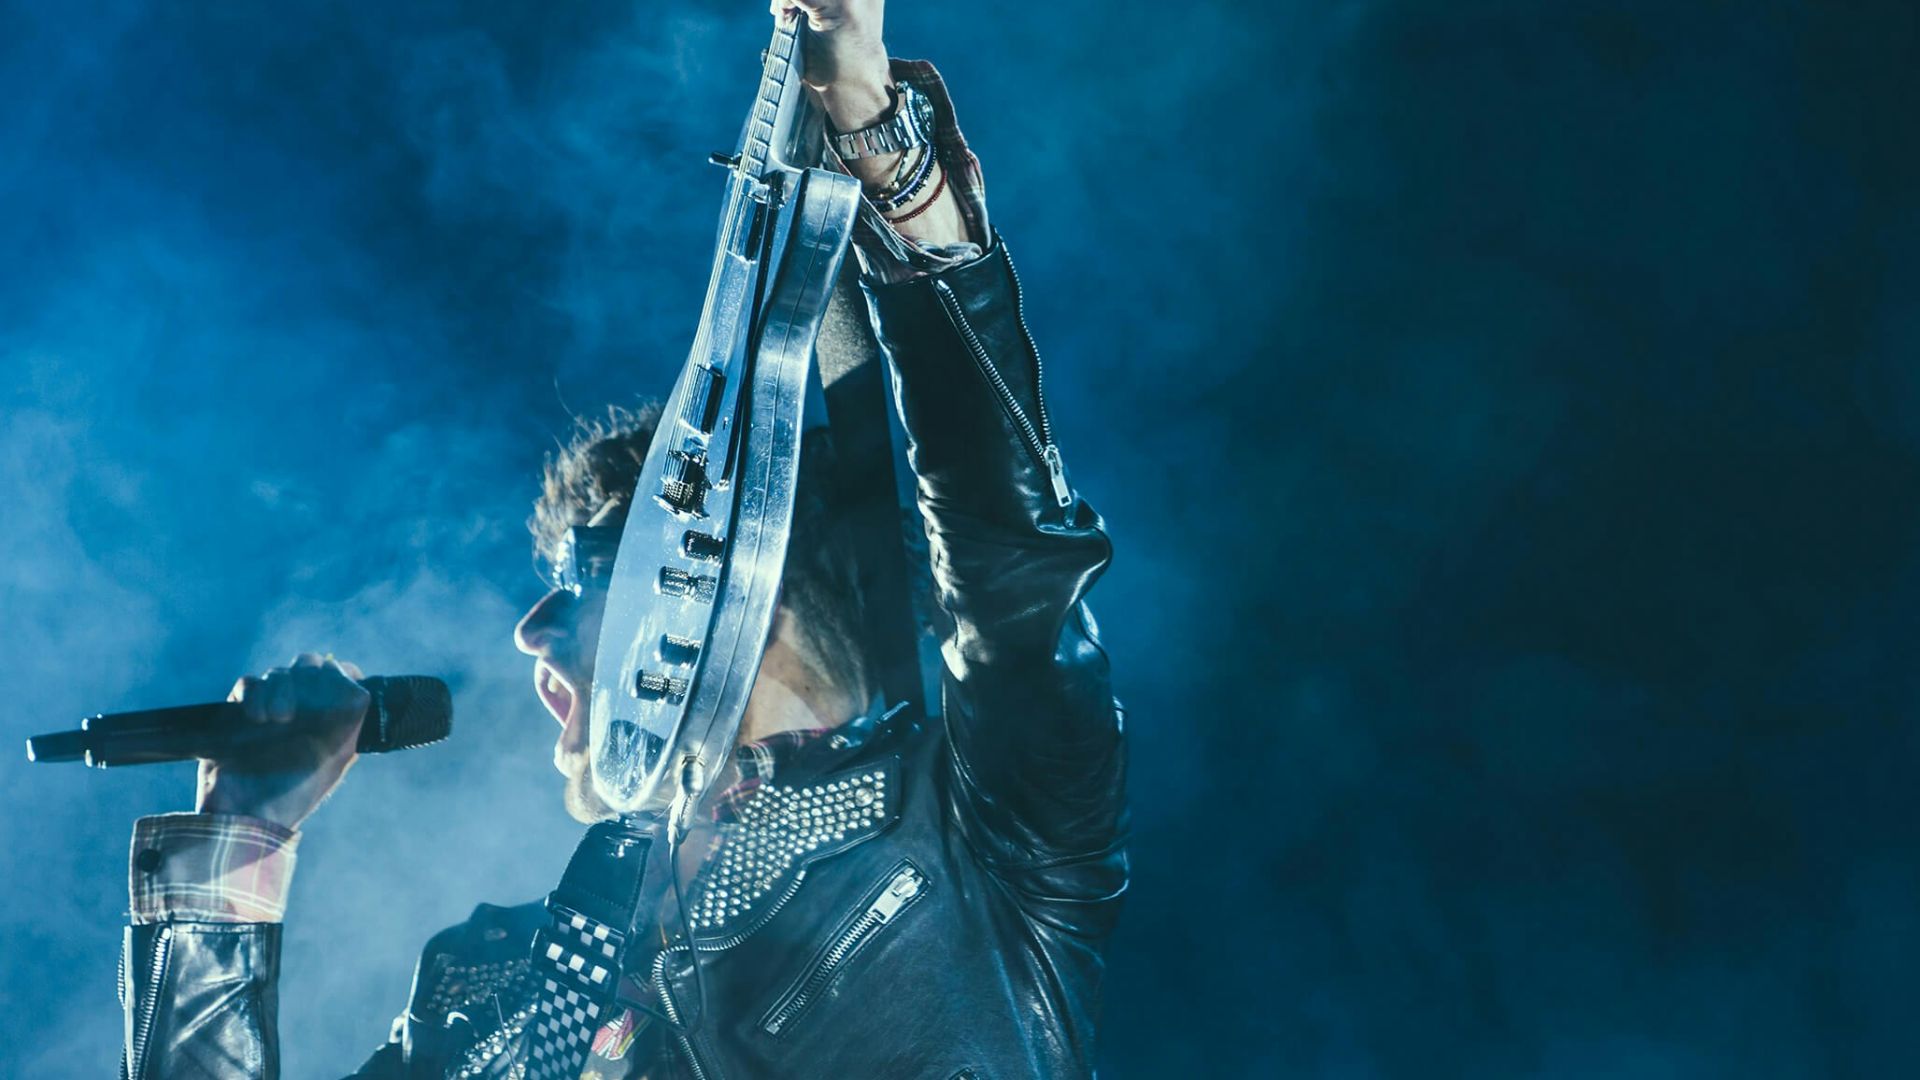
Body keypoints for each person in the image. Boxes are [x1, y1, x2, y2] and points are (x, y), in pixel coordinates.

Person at [116, 1, 1126, 1076]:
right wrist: (236, 841)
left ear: (736, 581)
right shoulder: (485, 978)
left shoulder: (963, 822)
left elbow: (1009, 562)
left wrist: (876, 133)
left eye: (592, 572)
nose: (529, 630)